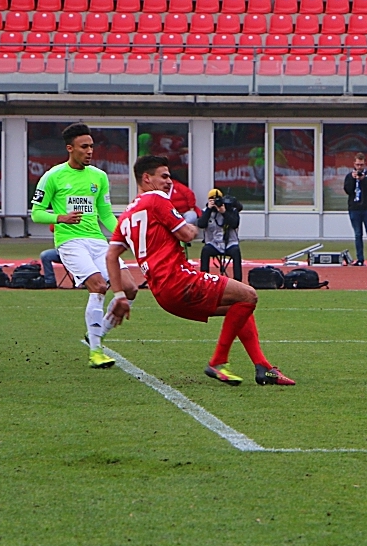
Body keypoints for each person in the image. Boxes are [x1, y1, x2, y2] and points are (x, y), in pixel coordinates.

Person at [105, 155, 294, 386]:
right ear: (146, 178)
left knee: (241, 305)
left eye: (169, 177)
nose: (169, 181)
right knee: (249, 295)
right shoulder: (156, 199)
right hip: (180, 280)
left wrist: (119, 295)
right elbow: (186, 234)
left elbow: (111, 256)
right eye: (163, 176)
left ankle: (263, 367)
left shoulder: (125, 215)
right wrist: (191, 226)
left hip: (163, 294)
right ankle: (218, 361)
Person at [31, 122, 138, 369]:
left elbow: (106, 215)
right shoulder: (52, 177)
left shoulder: (99, 177)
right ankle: (96, 351)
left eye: (91, 146)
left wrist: (126, 235)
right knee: (99, 286)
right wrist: (61, 218)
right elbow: (36, 213)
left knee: (130, 288)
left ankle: (98, 333)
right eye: (84, 147)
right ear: (70, 148)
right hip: (70, 242)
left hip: (98, 242)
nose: (90, 151)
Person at [198, 188, 243, 282]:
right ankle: (204, 280)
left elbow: (234, 224)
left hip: (230, 242)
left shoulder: (231, 210)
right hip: (213, 243)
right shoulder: (206, 211)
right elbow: (201, 224)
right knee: (205, 250)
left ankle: (238, 281)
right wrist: (209, 210)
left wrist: (224, 212)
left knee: (236, 251)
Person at [344, 153, 367, 266]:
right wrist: (354, 180)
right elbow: (348, 190)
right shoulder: (349, 176)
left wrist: (363, 180)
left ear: (365, 164)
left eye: (361, 165)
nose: (359, 167)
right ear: (354, 164)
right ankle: (360, 259)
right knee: (358, 234)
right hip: (354, 209)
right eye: (358, 165)